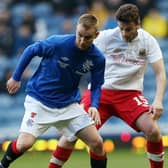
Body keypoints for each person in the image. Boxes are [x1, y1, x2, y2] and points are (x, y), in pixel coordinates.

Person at [49, 3, 167, 168]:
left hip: (130, 95)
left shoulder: (148, 41)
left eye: (128, 29)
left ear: (138, 25)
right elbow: (78, 54)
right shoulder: (105, 37)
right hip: (100, 93)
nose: (124, 33)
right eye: (121, 28)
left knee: (153, 131)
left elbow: (160, 73)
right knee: (71, 135)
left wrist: (158, 100)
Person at [0, 13, 107, 168]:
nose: (82, 41)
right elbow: (31, 50)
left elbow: (97, 84)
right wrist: (16, 77)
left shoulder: (97, 58)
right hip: (40, 100)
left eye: (88, 37)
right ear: (76, 30)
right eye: (80, 35)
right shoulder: (59, 43)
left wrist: (94, 105)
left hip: (68, 104)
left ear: (96, 35)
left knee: (97, 143)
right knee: (24, 144)